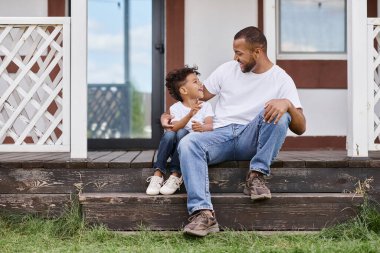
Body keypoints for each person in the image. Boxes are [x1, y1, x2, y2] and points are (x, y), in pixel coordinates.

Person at [161, 26, 306, 237]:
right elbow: (194, 98)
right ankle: (203, 214)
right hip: (220, 136)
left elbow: (301, 128)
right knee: (188, 143)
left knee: (281, 113)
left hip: (252, 137)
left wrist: (287, 104)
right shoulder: (227, 70)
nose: (235, 58)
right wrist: (168, 115)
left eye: (239, 53)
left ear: (257, 51)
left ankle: (256, 176)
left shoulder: (281, 79)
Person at [146, 66, 214, 196]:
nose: (201, 84)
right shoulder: (175, 108)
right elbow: (174, 128)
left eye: (199, 80)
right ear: (183, 90)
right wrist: (190, 114)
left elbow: (210, 125)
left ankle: (176, 174)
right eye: (195, 82)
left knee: (183, 133)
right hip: (176, 148)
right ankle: (158, 173)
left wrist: (203, 127)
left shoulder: (206, 106)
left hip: (192, 148)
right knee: (171, 134)